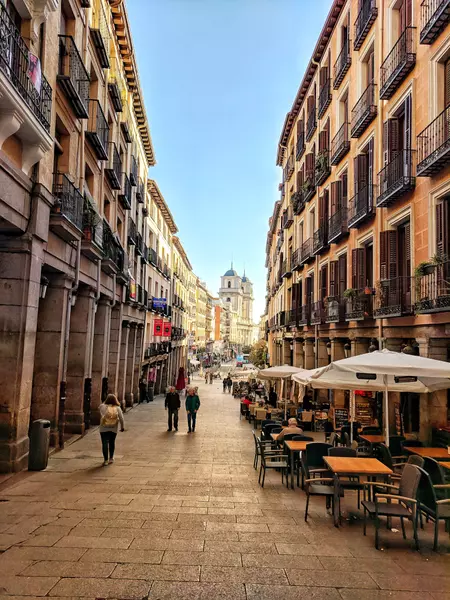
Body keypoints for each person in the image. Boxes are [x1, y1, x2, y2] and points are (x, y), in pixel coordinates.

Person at [99, 394, 125, 466]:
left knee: (104, 443)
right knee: (112, 442)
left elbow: (100, 415)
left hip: (103, 428)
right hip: (113, 428)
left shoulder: (102, 406)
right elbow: (121, 419)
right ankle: (111, 458)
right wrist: (122, 427)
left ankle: (105, 460)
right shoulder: (118, 408)